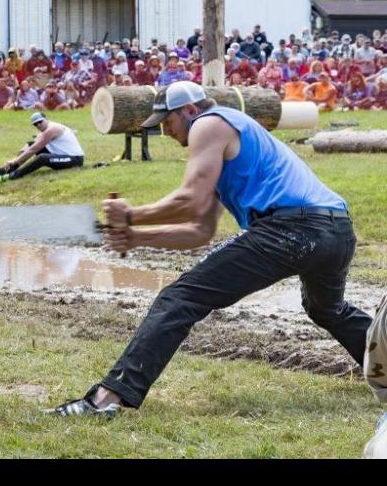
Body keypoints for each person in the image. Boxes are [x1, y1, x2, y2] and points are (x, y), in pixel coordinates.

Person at [49, 82, 370, 418]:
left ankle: (107, 399)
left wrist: (130, 215)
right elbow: (200, 230)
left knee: (180, 297)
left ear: (189, 110)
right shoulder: (228, 139)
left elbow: (190, 199)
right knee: (328, 310)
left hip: (292, 229)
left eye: (167, 121)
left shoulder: (209, 123)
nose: (166, 131)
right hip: (336, 230)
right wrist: (136, 237)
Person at [0, 112, 84, 182]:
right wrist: (14, 160)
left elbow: (34, 149)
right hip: (63, 155)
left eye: (40, 122)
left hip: (75, 159)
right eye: (35, 124)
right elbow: (31, 145)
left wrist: (15, 160)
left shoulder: (51, 129)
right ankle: (7, 169)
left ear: (46, 119)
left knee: (42, 158)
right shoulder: (46, 128)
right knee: (30, 144)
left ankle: (14, 175)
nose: (38, 125)